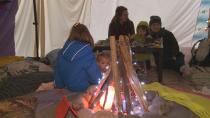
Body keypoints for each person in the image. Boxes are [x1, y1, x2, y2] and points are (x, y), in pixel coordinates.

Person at [54, 23, 102, 93]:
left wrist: (60, 86)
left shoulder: (61, 52)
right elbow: (96, 77)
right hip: (83, 90)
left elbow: (58, 80)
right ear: (87, 34)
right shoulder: (87, 53)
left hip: (67, 88)